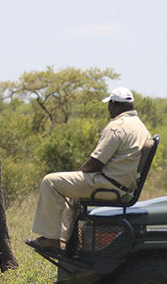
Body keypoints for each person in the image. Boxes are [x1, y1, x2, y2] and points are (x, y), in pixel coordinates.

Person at [28, 87, 151, 250]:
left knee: (50, 182)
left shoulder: (117, 127)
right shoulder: (140, 127)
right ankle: (66, 240)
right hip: (123, 187)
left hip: (108, 185)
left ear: (113, 104)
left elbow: (95, 163)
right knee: (69, 188)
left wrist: (77, 174)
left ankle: (51, 239)